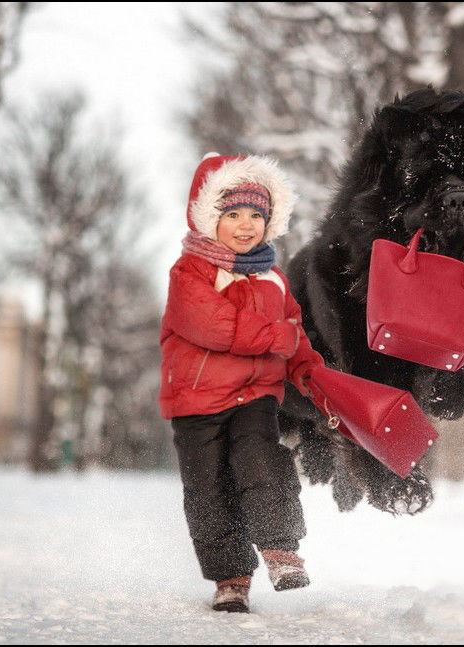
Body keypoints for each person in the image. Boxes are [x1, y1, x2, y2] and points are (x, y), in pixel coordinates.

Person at [159, 153, 324, 614]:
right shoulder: (189, 272)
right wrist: (279, 337)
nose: (246, 224)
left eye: (256, 214)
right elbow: (214, 325)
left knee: (261, 458)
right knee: (207, 488)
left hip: (255, 396)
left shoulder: (274, 279)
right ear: (209, 217)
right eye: (232, 214)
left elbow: (297, 338)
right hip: (196, 400)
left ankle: (281, 550)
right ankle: (231, 576)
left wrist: (308, 371)